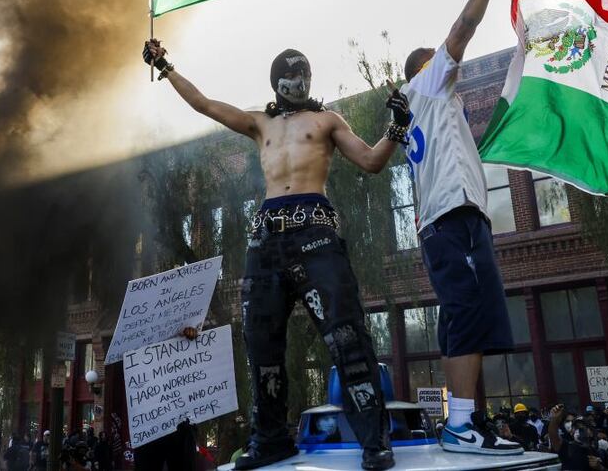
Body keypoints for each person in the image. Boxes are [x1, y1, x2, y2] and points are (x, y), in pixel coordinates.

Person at [143, 40, 411, 471]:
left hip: (316, 231)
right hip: (265, 238)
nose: (298, 79)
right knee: (261, 343)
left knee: (345, 334)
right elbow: (204, 105)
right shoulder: (259, 124)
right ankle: (270, 441)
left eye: (304, 72)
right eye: (290, 74)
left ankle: (374, 441)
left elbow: (372, 161)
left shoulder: (327, 120)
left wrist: (397, 126)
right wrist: (166, 66)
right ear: (276, 82)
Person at [397, 0, 523, 455]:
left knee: (463, 317)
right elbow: (465, 26)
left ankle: (468, 420)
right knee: (468, 313)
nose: (457, 66)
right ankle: (459, 424)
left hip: (451, 219)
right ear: (429, 67)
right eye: (445, 59)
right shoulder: (428, 83)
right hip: (452, 217)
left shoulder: (420, 108)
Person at [549, 404, 608, 471]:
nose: (579, 430)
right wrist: (555, 419)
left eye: (583, 427)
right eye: (576, 427)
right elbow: (553, 435)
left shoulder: (602, 454)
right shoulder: (567, 449)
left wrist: (600, 468)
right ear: (572, 433)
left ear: (591, 432)